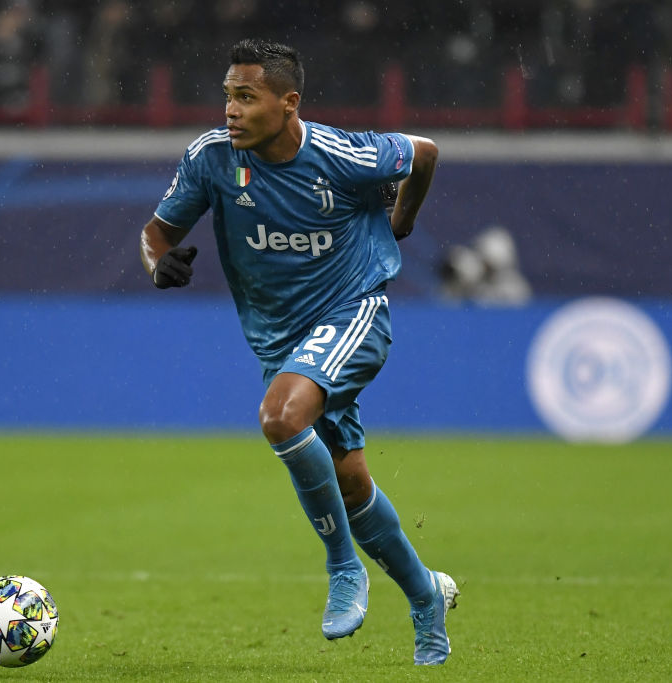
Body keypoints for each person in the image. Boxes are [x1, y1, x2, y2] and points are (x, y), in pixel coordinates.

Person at [138, 38, 458, 666]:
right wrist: (159, 264)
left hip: (353, 313)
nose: (231, 109)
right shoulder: (212, 158)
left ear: (288, 103)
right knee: (350, 480)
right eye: (227, 95)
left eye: (246, 97)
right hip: (282, 341)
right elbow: (156, 233)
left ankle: (343, 568)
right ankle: (426, 597)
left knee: (281, 417)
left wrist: (403, 219)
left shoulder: (340, 154)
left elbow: (423, 152)